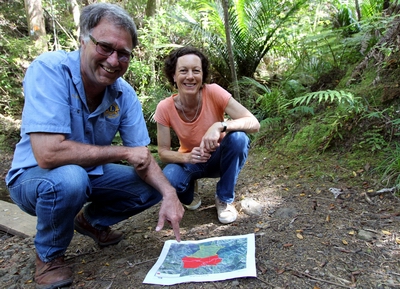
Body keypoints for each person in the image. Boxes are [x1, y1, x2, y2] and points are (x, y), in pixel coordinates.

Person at [5, 3, 184, 289]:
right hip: (33, 176)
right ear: (83, 41)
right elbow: (48, 154)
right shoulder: (49, 70)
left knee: (161, 183)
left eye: (123, 54)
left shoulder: (124, 94)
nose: (114, 61)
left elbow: (142, 158)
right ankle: (49, 257)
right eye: (105, 47)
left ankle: (90, 220)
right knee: (70, 179)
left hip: (89, 175)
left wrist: (170, 194)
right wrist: (123, 152)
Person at [154, 46, 260, 225]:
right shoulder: (164, 107)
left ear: (202, 75)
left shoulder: (214, 92)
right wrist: (187, 157)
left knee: (239, 138)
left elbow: (253, 123)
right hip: (190, 163)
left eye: (196, 71)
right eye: (183, 71)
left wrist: (221, 125)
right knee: (169, 178)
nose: (190, 76)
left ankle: (224, 198)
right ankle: (189, 195)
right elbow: (163, 152)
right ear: (173, 76)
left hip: (218, 157)